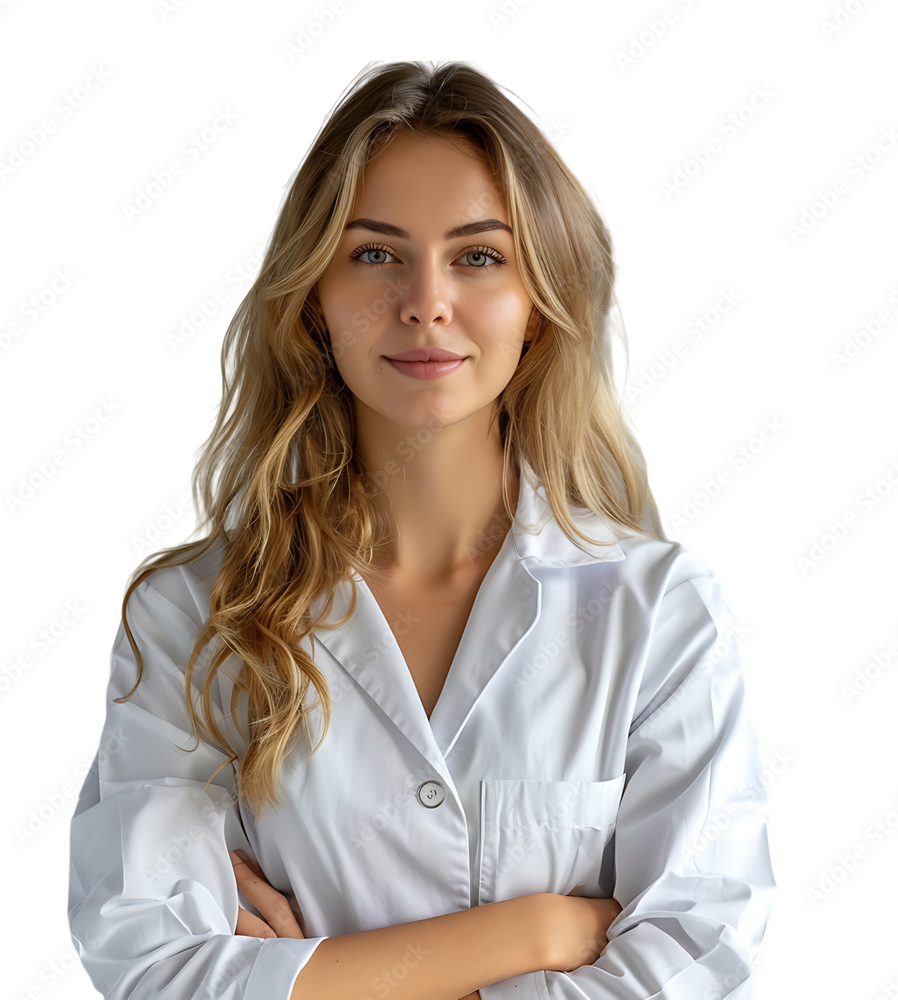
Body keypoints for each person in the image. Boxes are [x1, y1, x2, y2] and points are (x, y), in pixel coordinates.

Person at [67, 60, 776, 999]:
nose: (425, 300)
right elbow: (154, 964)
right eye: (374, 253)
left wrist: (302, 976)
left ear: (540, 305)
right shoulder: (193, 614)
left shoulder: (659, 613)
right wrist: (543, 927)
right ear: (313, 301)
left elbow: (696, 948)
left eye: (478, 256)